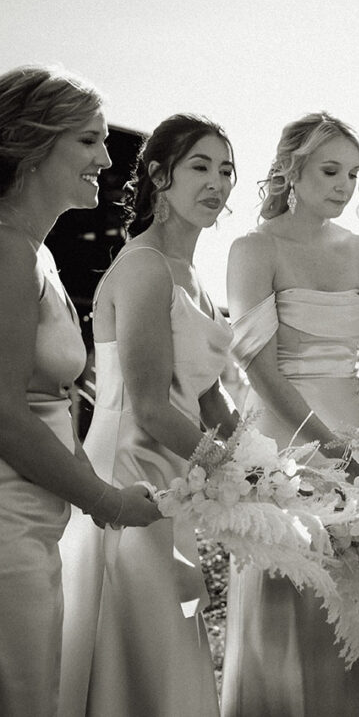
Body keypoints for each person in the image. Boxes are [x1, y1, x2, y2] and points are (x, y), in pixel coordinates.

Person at [221, 112, 359, 716]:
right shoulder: (254, 249)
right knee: (289, 607)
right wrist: (328, 446)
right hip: (282, 452)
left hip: (355, 451)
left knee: (352, 609)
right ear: (291, 170)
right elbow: (259, 368)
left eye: (353, 173)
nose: (344, 185)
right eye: (330, 170)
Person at [58, 114, 238, 717]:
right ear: (159, 176)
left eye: (226, 169)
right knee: (138, 649)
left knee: (170, 647)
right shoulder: (143, 267)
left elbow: (209, 396)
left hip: (177, 477)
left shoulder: (198, 278)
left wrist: (276, 465)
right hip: (128, 478)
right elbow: (151, 404)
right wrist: (236, 474)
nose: (217, 181)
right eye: (200, 166)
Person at [0, 65, 160, 717]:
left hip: (36, 523)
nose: (107, 156)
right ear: (35, 146)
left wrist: (104, 492)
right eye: (89, 140)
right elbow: (5, 417)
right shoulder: (6, 253)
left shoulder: (36, 254)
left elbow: (57, 405)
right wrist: (106, 500)